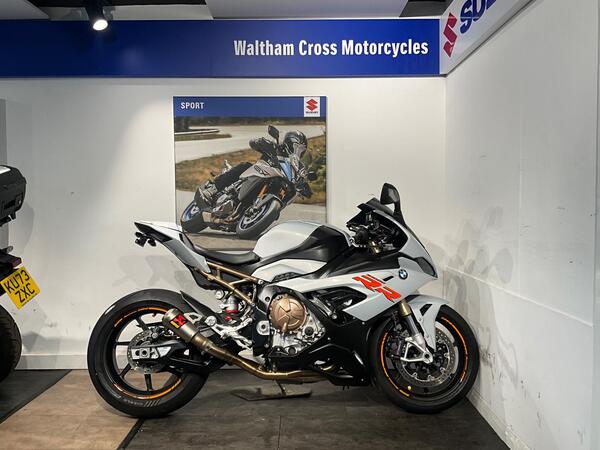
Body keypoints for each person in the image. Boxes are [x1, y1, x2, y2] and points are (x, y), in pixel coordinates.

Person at [194, 130, 308, 209]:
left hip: (277, 181)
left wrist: (304, 185)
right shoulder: (276, 148)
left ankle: (259, 211)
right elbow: (253, 142)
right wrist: (261, 142)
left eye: (301, 150)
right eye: (297, 147)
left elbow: (301, 177)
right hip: (258, 173)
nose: (298, 151)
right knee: (245, 165)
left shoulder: (294, 165)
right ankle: (213, 189)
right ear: (289, 142)